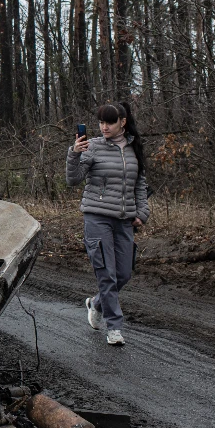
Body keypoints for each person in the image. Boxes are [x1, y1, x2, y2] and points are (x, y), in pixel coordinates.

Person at [65, 101, 150, 346]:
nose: (104, 127)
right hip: (97, 217)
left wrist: (142, 212)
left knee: (123, 273)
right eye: (101, 122)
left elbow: (139, 185)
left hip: (124, 220)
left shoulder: (134, 149)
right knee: (107, 275)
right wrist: (75, 153)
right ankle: (114, 328)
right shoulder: (92, 147)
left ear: (122, 122)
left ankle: (96, 303)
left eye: (109, 122)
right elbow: (73, 180)